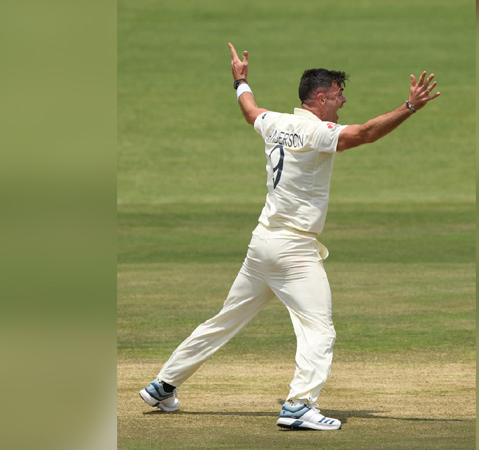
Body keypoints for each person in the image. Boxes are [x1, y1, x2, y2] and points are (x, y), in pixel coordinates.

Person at [139, 42, 441, 431]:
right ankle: (299, 406)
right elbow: (365, 134)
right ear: (320, 97)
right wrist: (410, 106)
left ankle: (163, 385)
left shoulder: (276, 122)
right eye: (338, 93)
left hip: (262, 244)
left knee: (224, 321)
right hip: (294, 250)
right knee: (319, 329)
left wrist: (240, 80)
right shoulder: (317, 132)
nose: (344, 100)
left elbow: (249, 110)